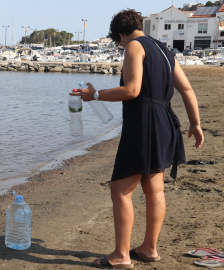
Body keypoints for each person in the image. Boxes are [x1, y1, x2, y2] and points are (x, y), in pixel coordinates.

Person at [71, 9, 204, 269]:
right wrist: (196, 124)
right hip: (165, 122)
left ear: (120, 34)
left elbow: (131, 90)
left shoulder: (133, 46)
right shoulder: (165, 50)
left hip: (144, 124)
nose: (120, 46)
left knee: (120, 190)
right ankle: (149, 248)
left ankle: (122, 255)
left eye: (118, 41)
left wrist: (94, 95)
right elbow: (186, 88)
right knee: (154, 188)